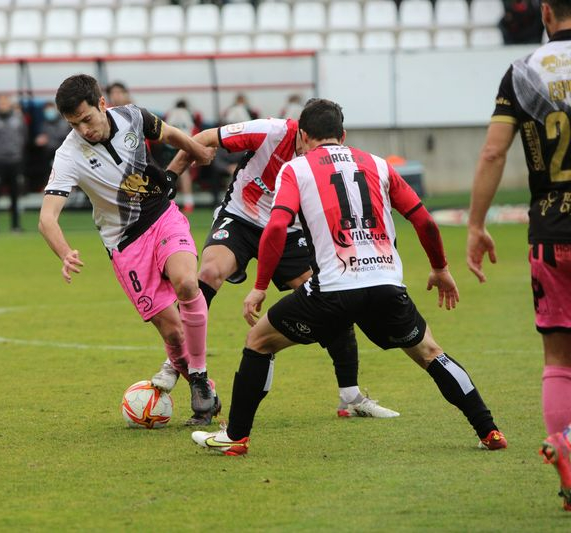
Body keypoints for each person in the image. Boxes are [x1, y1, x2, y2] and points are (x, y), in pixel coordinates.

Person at [192, 98, 507, 455]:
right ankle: (489, 430)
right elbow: (424, 220)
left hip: (334, 289)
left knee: (259, 341)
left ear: (304, 135)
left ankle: (235, 437)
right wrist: (440, 268)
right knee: (431, 352)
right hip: (387, 285)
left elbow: (277, 226)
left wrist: (260, 287)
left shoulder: (296, 169)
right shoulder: (377, 164)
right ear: (342, 134)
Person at [166, 116, 399, 418]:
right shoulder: (271, 131)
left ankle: (350, 397)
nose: (316, 152)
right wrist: (169, 177)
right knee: (209, 273)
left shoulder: (331, 158)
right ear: (301, 134)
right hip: (241, 218)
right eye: (309, 145)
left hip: (288, 233)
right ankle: (178, 363)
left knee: (333, 299)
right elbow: (208, 136)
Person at [39, 74, 219, 425]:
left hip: (163, 216)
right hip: (124, 244)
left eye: (87, 119)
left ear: (102, 104)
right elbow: (47, 218)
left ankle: (198, 380)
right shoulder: (68, 156)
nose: (84, 130)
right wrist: (63, 252)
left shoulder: (132, 116)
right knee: (172, 332)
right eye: (74, 125)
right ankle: (204, 387)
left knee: (186, 283)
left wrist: (198, 152)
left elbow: (168, 133)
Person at [467, 0, 571, 511]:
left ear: (546, 13)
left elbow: (492, 152)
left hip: (550, 231)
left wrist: (475, 224)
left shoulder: (523, 72)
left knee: (558, 356)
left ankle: (567, 464)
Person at [0, 94, 27, 232]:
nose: (3, 106)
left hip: (14, 161)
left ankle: (15, 225)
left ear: (9, 104)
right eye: (0, 103)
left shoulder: (18, 119)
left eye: (5, 103)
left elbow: (23, 136)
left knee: (15, 196)